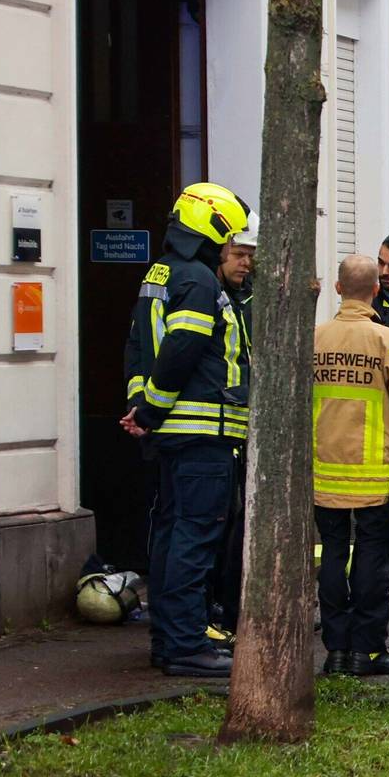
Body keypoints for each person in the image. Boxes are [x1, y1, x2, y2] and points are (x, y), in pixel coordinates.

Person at [121, 183, 253, 678]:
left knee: (172, 535)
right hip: (203, 434)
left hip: (172, 435)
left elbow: (137, 347)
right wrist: (151, 409)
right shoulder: (198, 279)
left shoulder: (159, 273)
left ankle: (168, 639)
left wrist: (141, 405)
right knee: (196, 539)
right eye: (228, 234)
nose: (231, 244)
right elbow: (182, 351)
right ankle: (185, 645)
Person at [312, 255, 389, 676]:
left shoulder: (314, 338)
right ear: (375, 291)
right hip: (376, 475)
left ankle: (336, 650)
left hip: (323, 473)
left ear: (338, 289)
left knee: (331, 556)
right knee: (373, 563)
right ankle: (368, 650)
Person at [208, 213, 258, 645]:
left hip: (243, 429)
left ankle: (232, 606)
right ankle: (215, 609)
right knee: (217, 524)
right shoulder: (211, 295)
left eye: (250, 256)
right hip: (217, 429)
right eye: (239, 254)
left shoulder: (250, 298)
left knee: (239, 523)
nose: (245, 263)